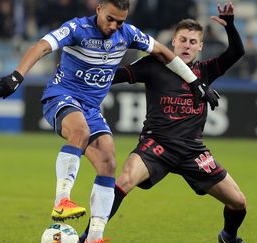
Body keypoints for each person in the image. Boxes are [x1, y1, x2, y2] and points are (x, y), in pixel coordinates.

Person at [0, 0, 217, 242]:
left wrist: (193, 82)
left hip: (91, 108)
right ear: (98, 10)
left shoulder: (127, 33)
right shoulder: (77, 29)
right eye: (110, 19)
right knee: (80, 131)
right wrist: (17, 75)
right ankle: (61, 201)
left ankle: (95, 236)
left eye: (120, 21)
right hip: (62, 96)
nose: (115, 25)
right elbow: (43, 46)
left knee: (108, 159)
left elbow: (163, 52)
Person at [80, 1, 246, 242]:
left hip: (192, 151)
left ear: (200, 46)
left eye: (192, 42)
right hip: (157, 146)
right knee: (124, 180)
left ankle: (228, 237)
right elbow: (117, 75)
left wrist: (230, 27)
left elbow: (236, 53)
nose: (187, 46)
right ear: (173, 42)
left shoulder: (206, 71)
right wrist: (88, 72)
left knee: (238, 202)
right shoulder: (152, 65)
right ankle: (89, 236)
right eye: (183, 40)